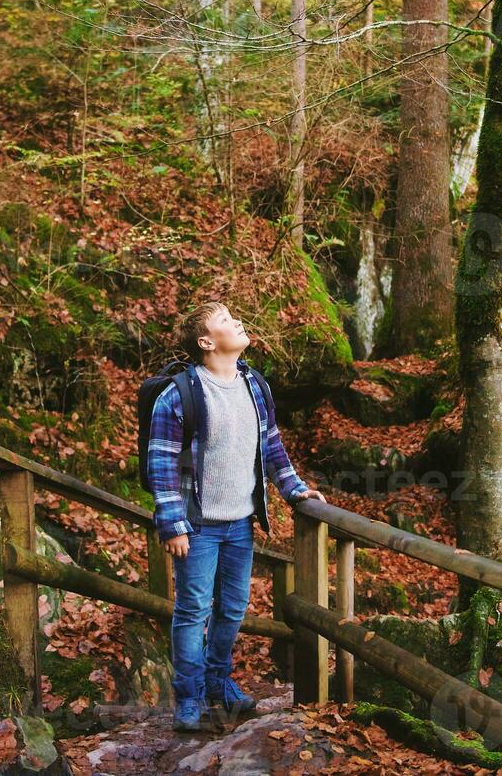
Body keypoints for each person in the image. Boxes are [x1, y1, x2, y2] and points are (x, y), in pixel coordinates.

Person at [147, 300, 325, 731]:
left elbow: (272, 446)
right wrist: (172, 523)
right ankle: (188, 698)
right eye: (225, 320)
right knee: (192, 610)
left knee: (232, 608)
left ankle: (218, 681)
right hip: (198, 526)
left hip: (241, 523)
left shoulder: (254, 385)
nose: (238, 321)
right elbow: (161, 461)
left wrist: (295, 489)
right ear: (207, 342)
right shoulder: (181, 394)